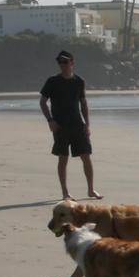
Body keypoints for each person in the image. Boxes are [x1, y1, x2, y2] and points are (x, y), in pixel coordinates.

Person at [39, 50, 100, 201]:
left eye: (65, 62)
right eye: (60, 62)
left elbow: (83, 103)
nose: (63, 65)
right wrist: (50, 121)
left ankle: (91, 190)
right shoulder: (52, 81)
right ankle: (65, 192)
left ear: (72, 63)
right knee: (63, 158)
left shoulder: (79, 81)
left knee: (86, 156)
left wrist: (87, 124)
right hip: (60, 126)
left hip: (78, 124)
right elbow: (42, 102)